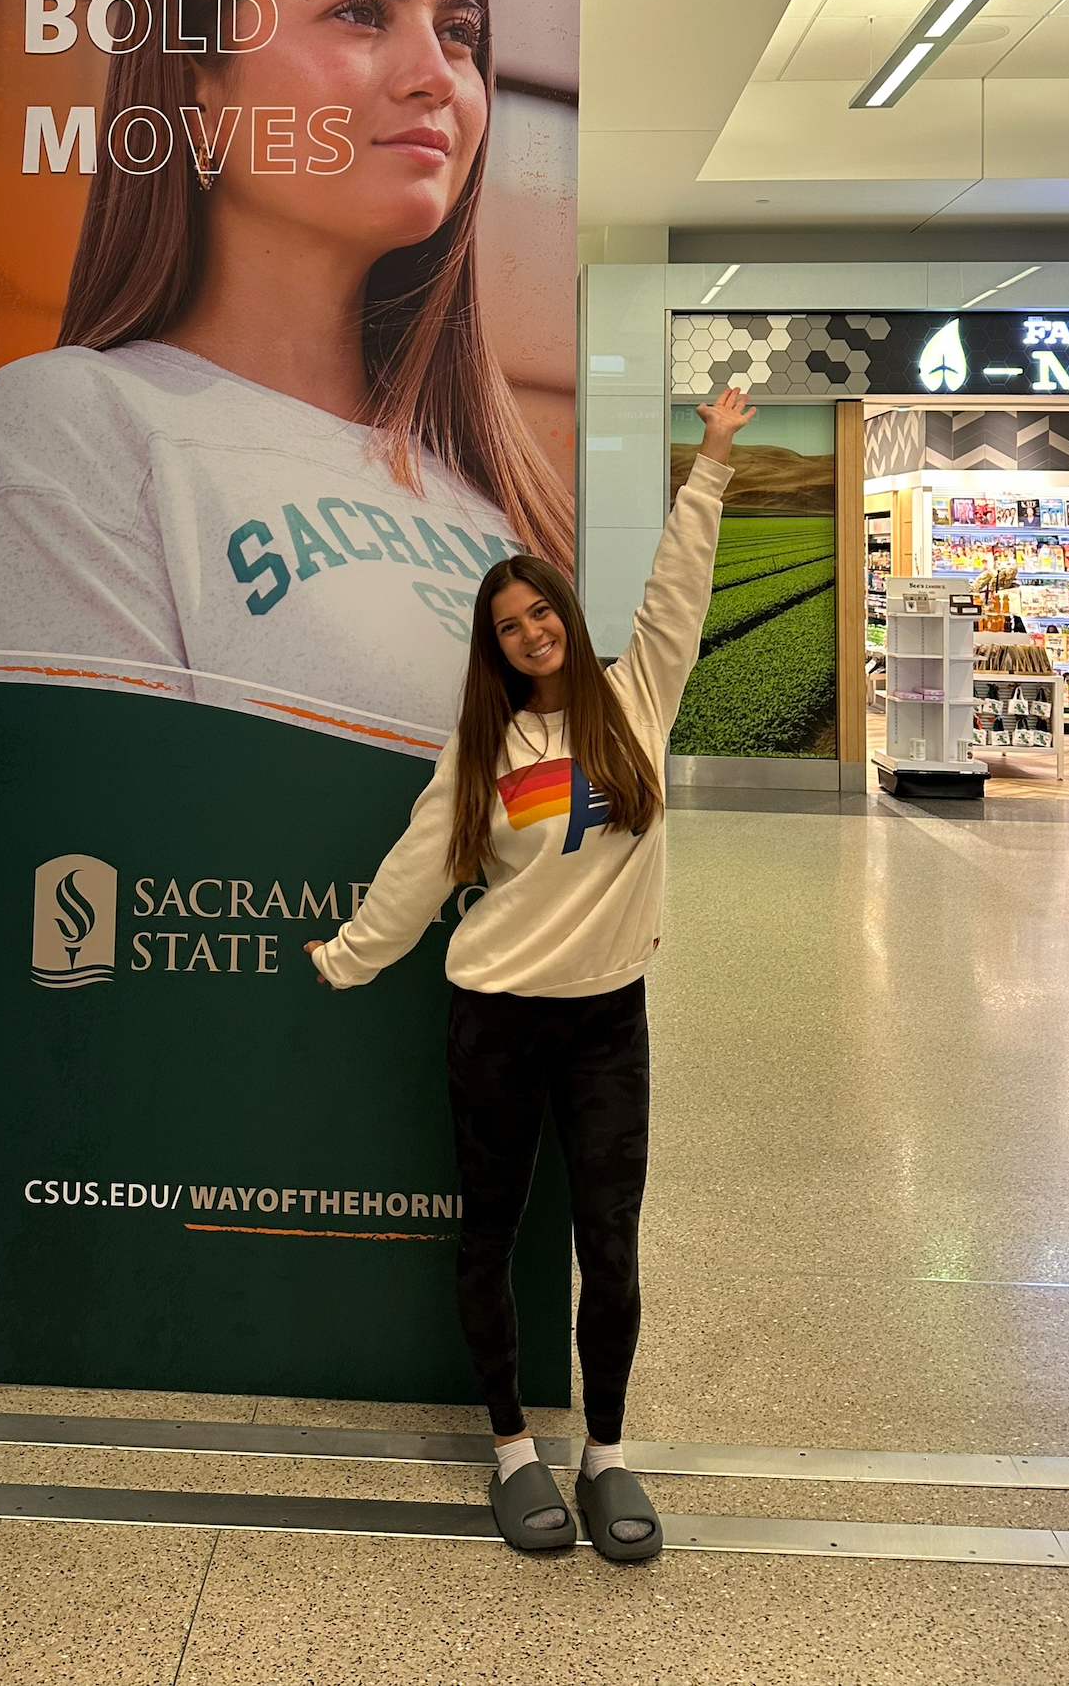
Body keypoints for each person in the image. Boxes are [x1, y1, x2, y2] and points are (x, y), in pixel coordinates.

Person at [0, 0, 572, 750]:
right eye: (361, 13)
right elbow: (107, 840)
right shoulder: (78, 424)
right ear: (197, 83)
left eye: (458, 33)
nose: (437, 78)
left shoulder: (503, 489)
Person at [305, 383, 754, 1561]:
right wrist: (351, 955)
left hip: (610, 1019)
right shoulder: (483, 745)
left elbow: (680, 590)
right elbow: (416, 865)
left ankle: (605, 1451)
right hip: (495, 1019)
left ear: (564, 609)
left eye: (539, 612)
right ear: (492, 643)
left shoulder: (634, 698)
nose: (530, 633)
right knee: (490, 1235)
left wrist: (708, 460)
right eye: (507, 626)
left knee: (610, 1244)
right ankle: (510, 1447)